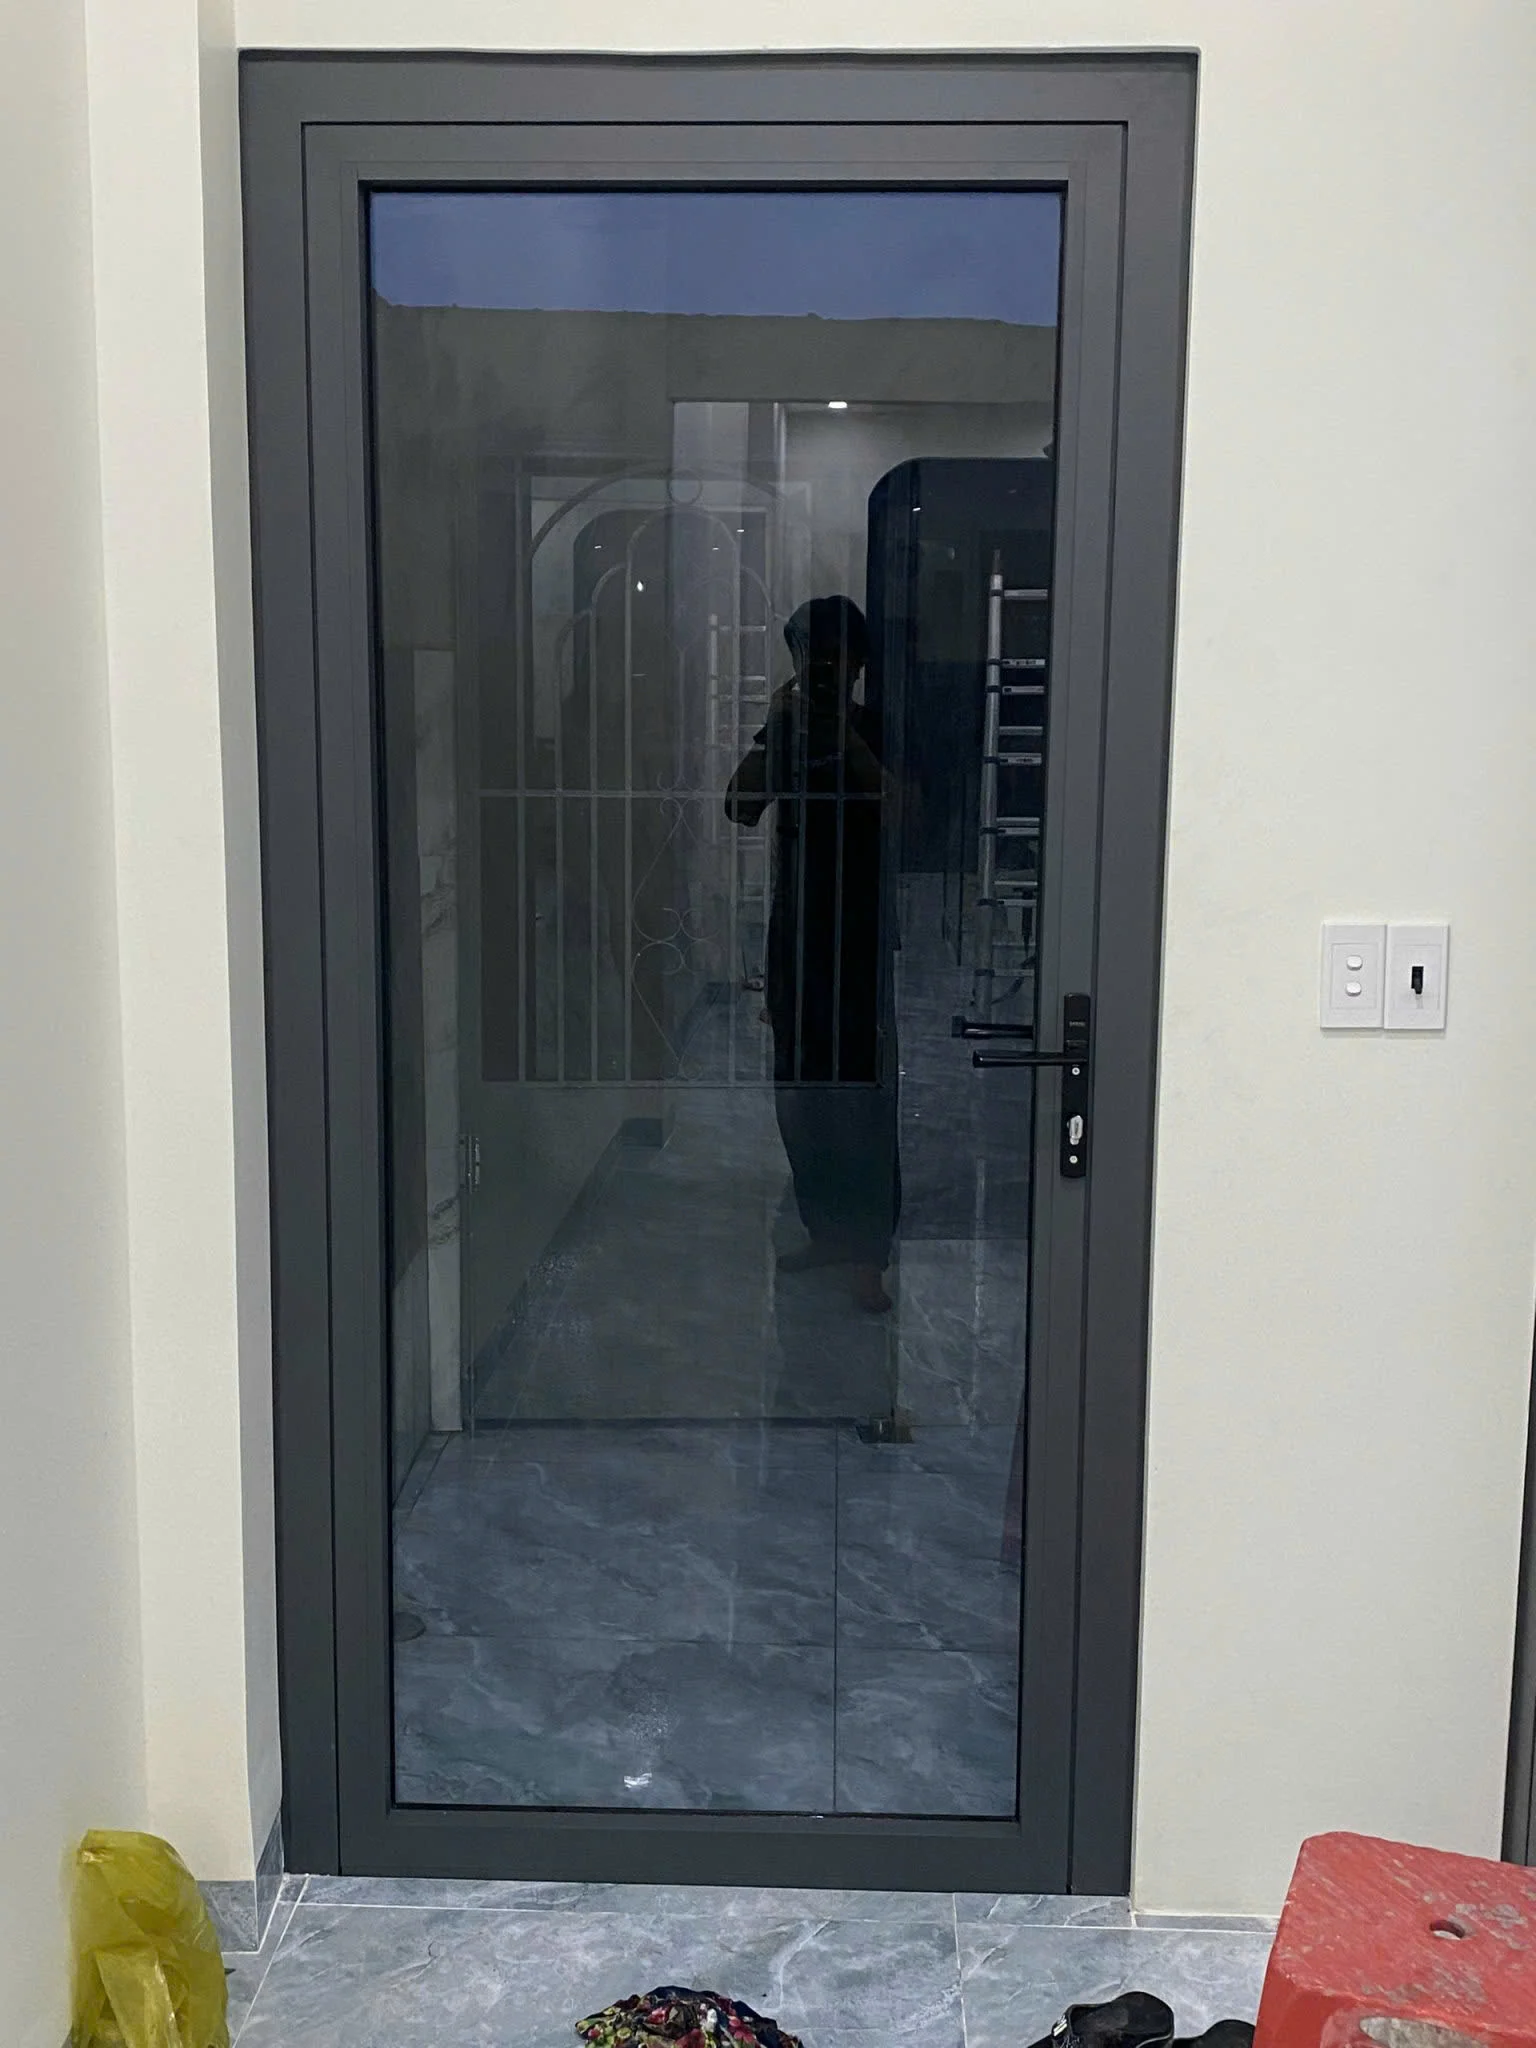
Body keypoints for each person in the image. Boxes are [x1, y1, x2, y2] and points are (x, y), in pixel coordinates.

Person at [726, 596, 899, 1313]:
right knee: (798, 1096)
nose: (821, 671)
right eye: (808, 658)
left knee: (859, 1098)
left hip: (857, 935)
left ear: (858, 663)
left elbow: (907, 810)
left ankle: (867, 1254)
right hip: (796, 932)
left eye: (832, 658)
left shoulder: (878, 727)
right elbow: (740, 806)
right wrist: (776, 732)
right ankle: (825, 1232)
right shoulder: (790, 727)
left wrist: (848, 743)